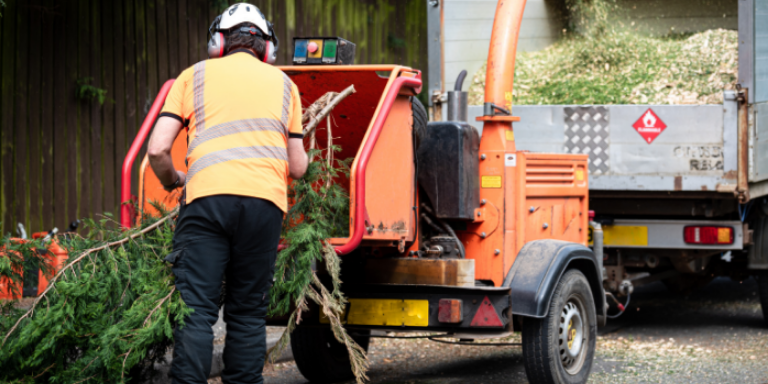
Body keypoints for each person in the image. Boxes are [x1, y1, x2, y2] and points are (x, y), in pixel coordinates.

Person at [147, 3, 308, 383]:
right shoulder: (286, 85)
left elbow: (157, 149)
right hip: (264, 207)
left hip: (207, 203)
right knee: (248, 313)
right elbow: (299, 168)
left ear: (218, 42)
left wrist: (174, 180)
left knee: (197, 309)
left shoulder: (192, 76)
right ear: (267, 48)